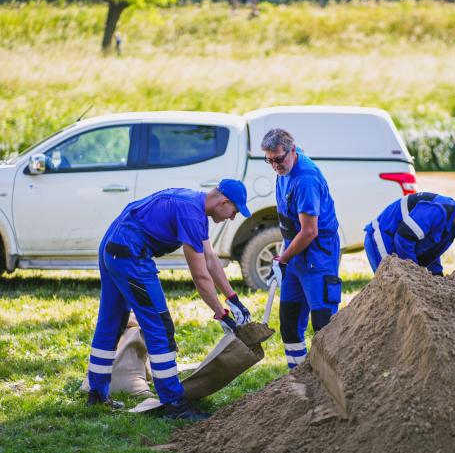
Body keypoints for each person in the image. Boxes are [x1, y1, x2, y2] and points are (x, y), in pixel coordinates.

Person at [86, 180, 253, 420]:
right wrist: (221, 313)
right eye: (234, 212)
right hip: (129, 253)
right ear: (223, 202)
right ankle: (175, 406)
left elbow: (210, 259)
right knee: (160, 328)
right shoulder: (193, 216)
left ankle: (97, 395)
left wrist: (233, 299)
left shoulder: (194, 204)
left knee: (111, 322)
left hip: (113, 244)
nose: (233, 217)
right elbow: (200, 277)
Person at [263, 128, 341, 369]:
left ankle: (330, 379)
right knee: (289, 319)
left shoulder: (305, 180)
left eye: (278, 159)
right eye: (269, 160)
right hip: (294, 252)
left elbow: (309, 231)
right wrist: (286, 257)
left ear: (292, 151)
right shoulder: (286, 162)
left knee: (323, 324)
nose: (275, 165)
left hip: (318, 254)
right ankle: (296, 377)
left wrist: (281, 260)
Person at [363, 191, 455, 274]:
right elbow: (404, 236)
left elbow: (430, 251)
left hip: (397, 242)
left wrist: (437, 275)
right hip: (382, 238)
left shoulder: (453, 227)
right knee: (393, 290)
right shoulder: (438, 211)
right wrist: (412, 271)